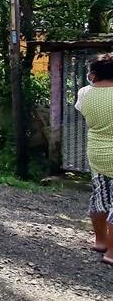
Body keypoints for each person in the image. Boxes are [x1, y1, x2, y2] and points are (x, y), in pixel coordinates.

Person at [76, 53, 113, 265]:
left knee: (100, 196)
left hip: (97, 153)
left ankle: (100, 241)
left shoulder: (85, 93)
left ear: (94, 75)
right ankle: (112, 253)